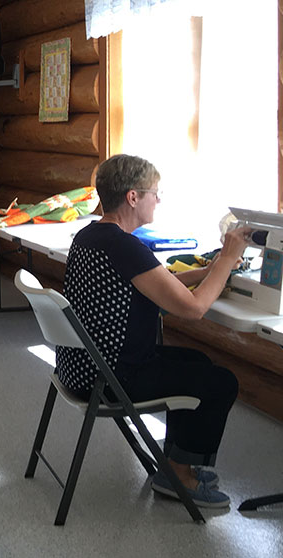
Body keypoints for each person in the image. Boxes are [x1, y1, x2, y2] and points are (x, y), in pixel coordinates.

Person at [57, 154, 249, 508]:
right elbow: (193, 309)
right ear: (133, 197)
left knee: (197, 362)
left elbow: (159, 282)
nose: (158, 200)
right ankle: (180, 476)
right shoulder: (124, 245)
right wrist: (226, 259)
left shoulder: (92, 235)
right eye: (154, 193)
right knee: (220, 382)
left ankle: (174, 465)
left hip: (81, 368)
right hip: (113, 377)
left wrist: (209, 271)